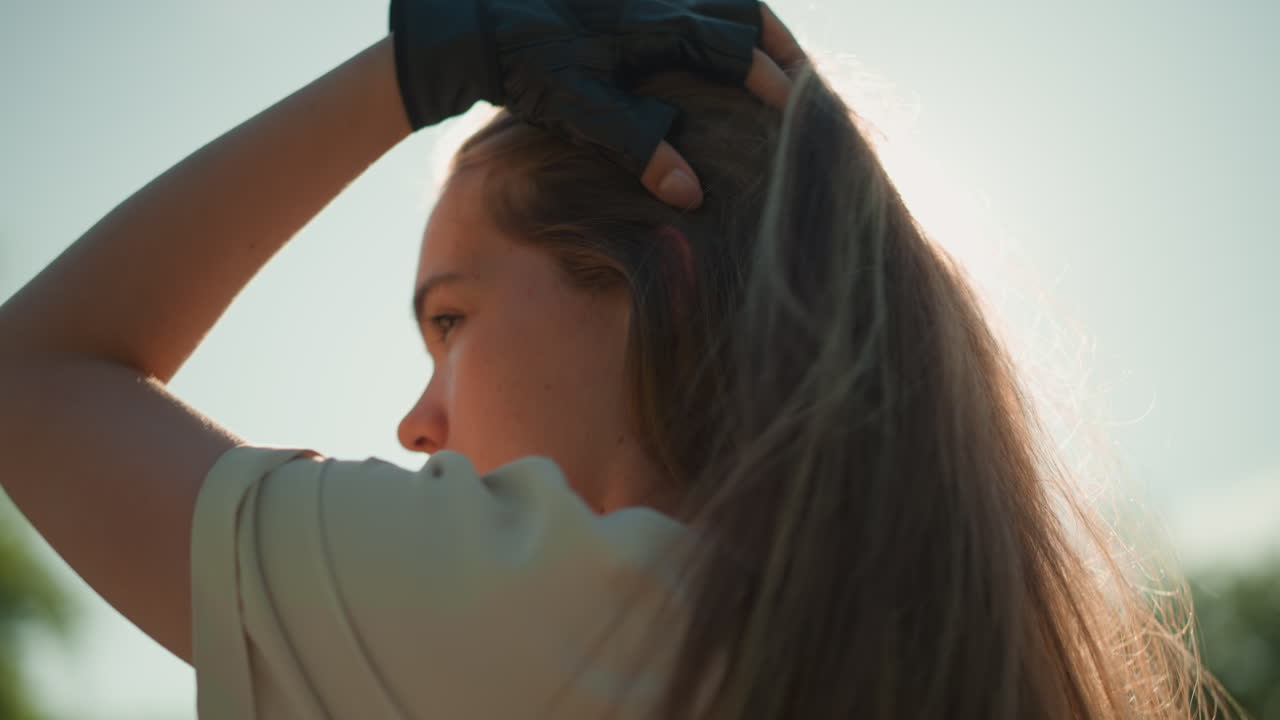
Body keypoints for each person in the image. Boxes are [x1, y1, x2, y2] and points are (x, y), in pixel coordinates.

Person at [0, 1, 1233, 718]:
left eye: (450, 321)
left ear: (655, 287)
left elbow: (35, 377)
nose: (417, 421)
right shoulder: (984, 654)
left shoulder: (580, 614)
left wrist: (416, 61)